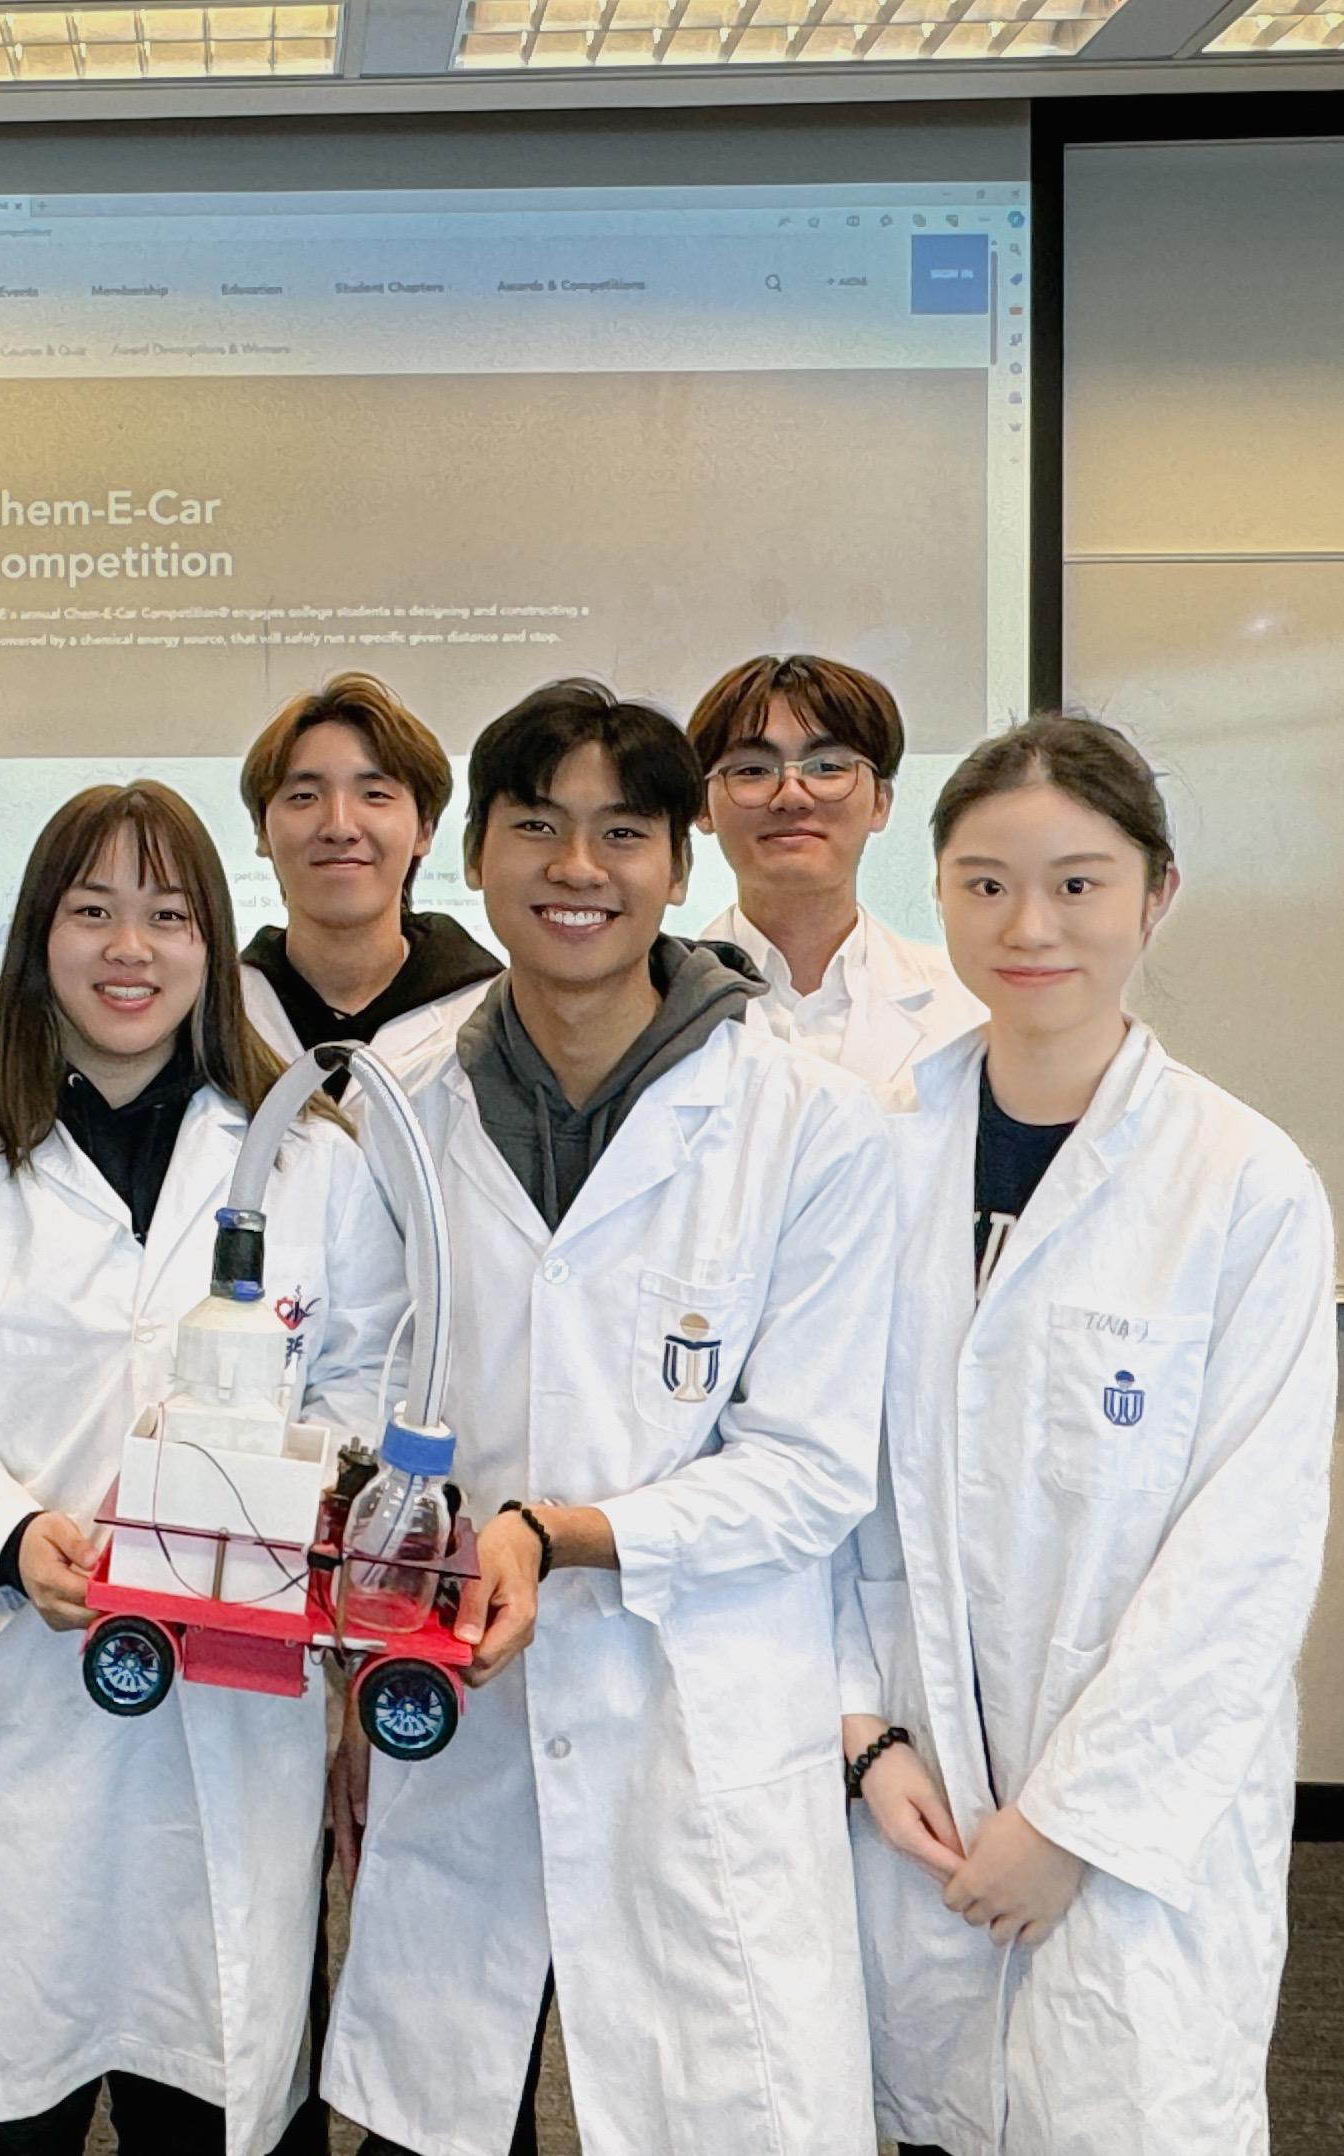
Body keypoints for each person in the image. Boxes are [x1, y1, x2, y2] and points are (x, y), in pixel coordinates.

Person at [322, 680, 894, 2156]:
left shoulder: (806, 1122)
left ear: (676, 868)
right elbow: (346, 1371)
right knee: (439, 2116)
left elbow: (810, 1466)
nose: (576, 869)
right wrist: (392, 1532)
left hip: (697, 1692)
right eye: (537, 828)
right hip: (456, 1677)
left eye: (620, 833)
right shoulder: (400, 1093)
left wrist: (564, 1533)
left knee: (715, 2102)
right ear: (474, 860)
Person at [0, 780, 408, 2156]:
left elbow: (364, 1380)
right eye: (90, 911)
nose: (128, 947)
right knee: (5, 2096)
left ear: (214, 944)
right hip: (21, 1703)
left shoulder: (310, 1166)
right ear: (36, 941)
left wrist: (274, 1497)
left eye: (166, 912)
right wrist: (15, 1536)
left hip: (232, 1713)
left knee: (212, 2091)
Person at [837, 716, 1337, 2156]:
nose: (1027, 925)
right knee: (914, 2119)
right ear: (933, 894)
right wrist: (861, 1737)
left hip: (1127, 1845)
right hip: (905, 1802)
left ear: (1154, 896)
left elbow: (1245, 1555)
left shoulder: (1241, 1185)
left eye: (1076, 883)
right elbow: (815, 1483)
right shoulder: (869, 1156)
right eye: (984, 883)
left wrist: (1068, 1825)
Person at [687, 653, 985, 1098]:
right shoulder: (657, 1009)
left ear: (881, 802)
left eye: (827, 767)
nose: (792, 796)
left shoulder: (970, 1010)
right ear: (702, 807)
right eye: (753, 770)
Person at [238, 673, 501, 1089]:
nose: (339, 827)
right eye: (304, 796)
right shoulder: (218, 1015)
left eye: (375, 794)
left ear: (425, 830)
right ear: (262, 833)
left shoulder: (492, 1019)